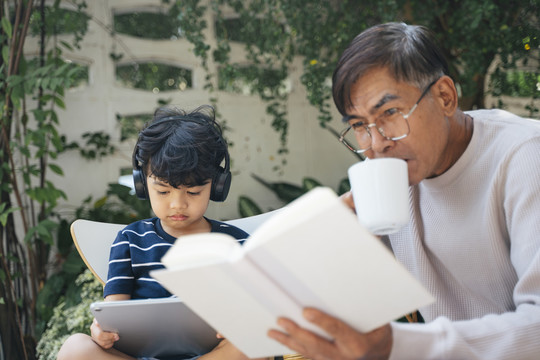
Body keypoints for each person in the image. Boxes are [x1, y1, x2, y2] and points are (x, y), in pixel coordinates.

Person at [268, 22, 540, 359]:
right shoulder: (385, 177)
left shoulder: (526, 156)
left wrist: (396, 346)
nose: (377, 144)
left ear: (445, 97)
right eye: (358, 126)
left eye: (390, 113)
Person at [57, 105, 262, 360]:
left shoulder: (236, 242)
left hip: (213, 355)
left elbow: (254, 311)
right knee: (75, 348)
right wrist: (101, 331)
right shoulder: (131, 240)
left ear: (217, 186)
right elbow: (114, 312)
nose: (177, 204)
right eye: (163, 192)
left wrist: (238, 323)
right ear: (143, 184)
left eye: (194, 192)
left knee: (252, 344)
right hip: (143, 356)